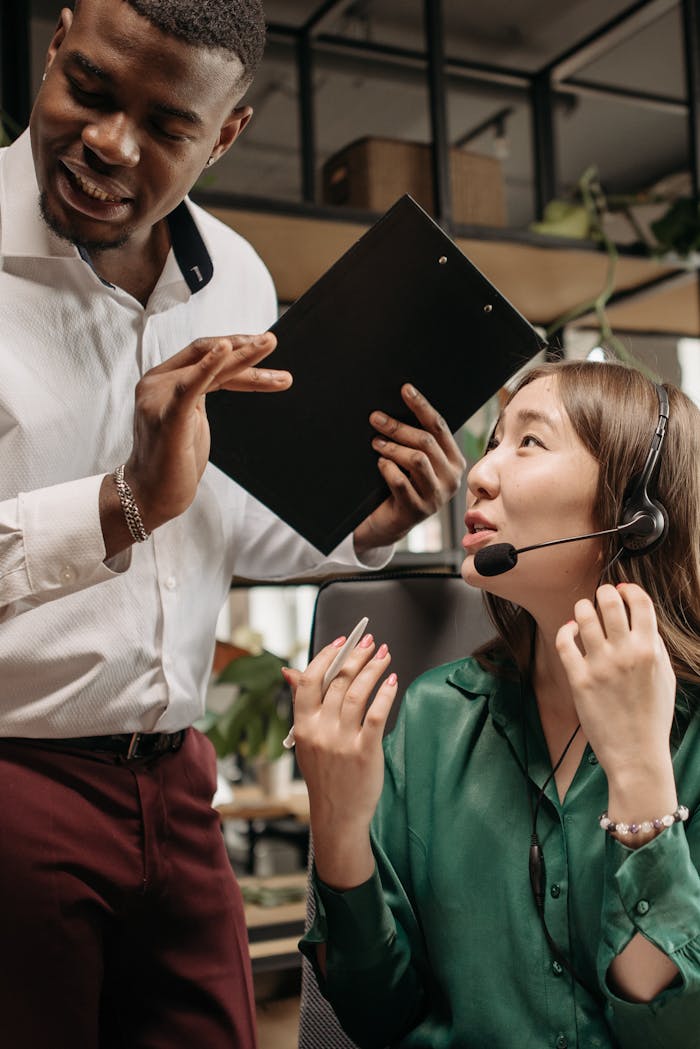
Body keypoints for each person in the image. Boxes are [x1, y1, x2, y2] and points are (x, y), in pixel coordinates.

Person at [0, 2, 466, 1047]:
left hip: (178, 780)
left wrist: (369, 523)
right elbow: (153, 512)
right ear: (55, 40)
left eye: (167, 126)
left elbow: (224, 531)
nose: (109, 143)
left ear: (226, 135)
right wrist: (125, 503)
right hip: (13, 784)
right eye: (88, 87)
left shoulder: (240, 279)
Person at [290, 359, 700, 1049]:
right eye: (494, 443)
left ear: (637, 514)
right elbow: (375, 1016)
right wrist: (336, 820)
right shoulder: (430, 720)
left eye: (530, 442)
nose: (479, 473)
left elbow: (674, 1035)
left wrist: (638, 777)